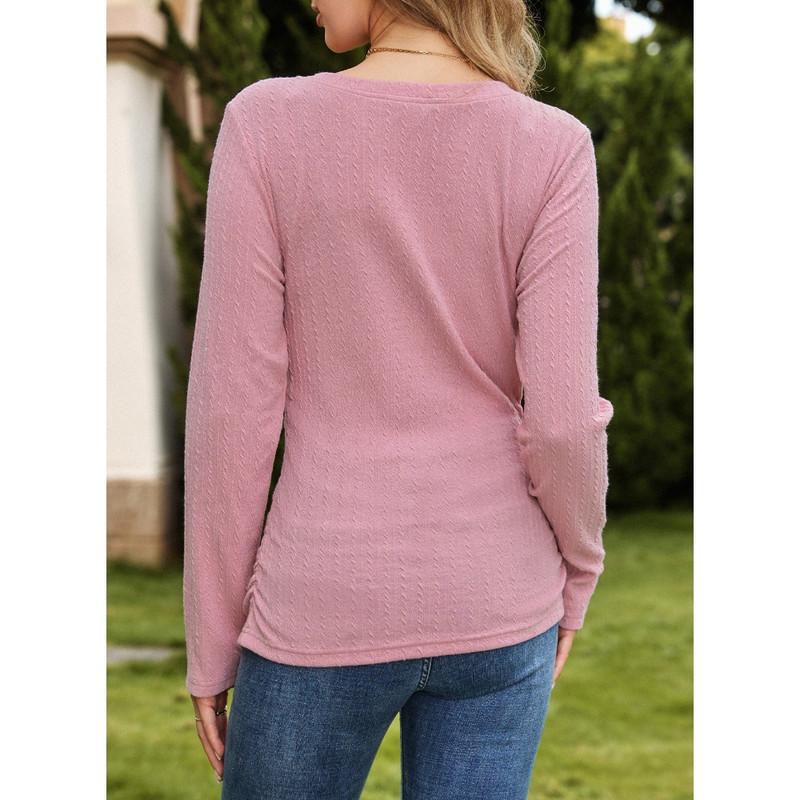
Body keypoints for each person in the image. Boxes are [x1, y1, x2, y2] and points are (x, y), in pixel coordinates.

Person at [182, 1, 614, 797]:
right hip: (500, 595)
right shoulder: (552, 145)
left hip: (321, 598)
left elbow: (231, 413)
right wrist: (578, 569)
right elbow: (562, 421)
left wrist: (211, 641)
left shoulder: (267, 125)